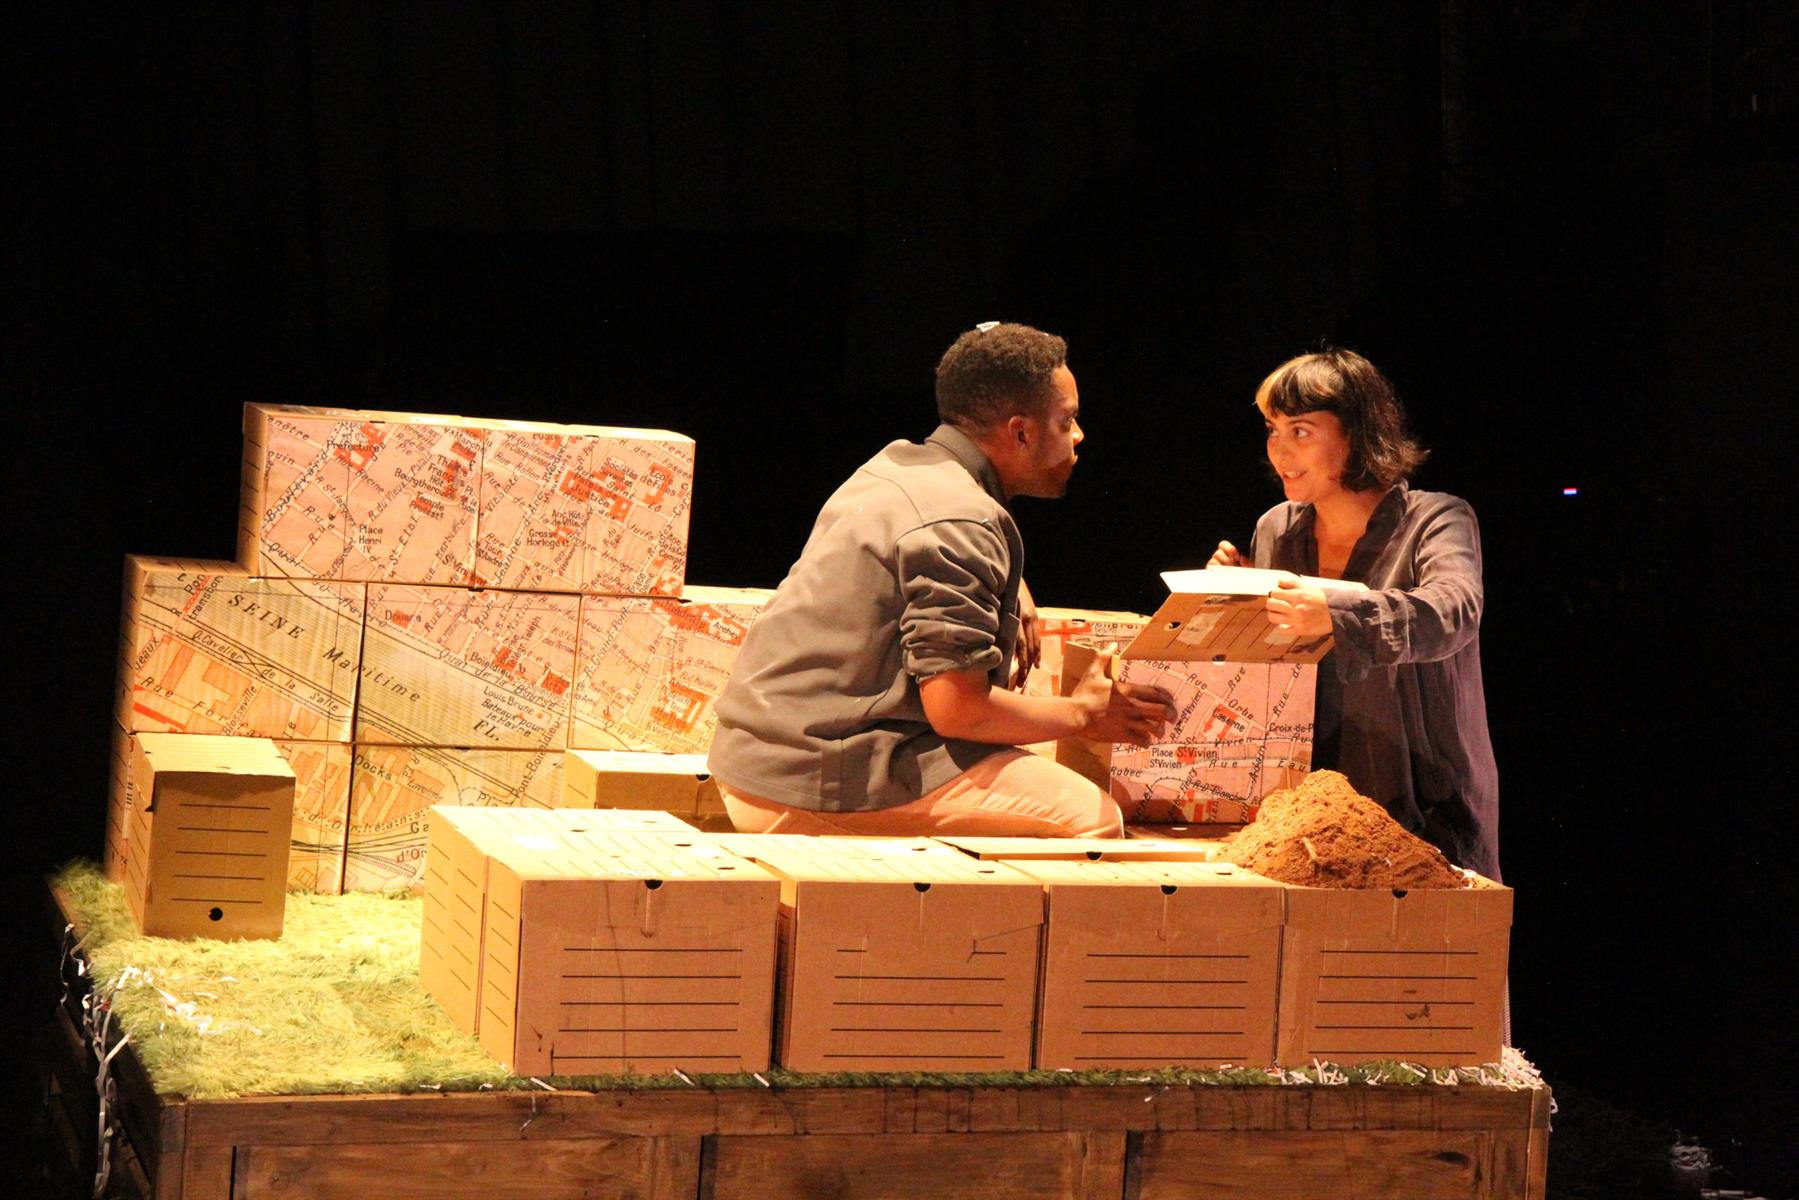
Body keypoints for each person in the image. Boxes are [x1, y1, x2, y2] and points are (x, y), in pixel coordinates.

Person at [708, 322, 1175, 837]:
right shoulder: (961, 522)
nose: (1079, 435)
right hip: (812, 775)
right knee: (1092, 821)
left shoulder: (897, 468)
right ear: (1021, 432)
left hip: (764, 753)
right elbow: (959, 711)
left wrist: (1010, 585)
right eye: (1067, 421)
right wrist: (1082, 714)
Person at [1210, 348, 1501, 880]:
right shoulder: (1276, 528)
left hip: (1422, 801)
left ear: (1358, 434)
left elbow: (1453, 611)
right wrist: (1231, 597)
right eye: (1273, 430)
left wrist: (1337, 613)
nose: (1279, 450)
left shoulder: (1436, 518)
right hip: (1308, 808)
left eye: (1301, 431)